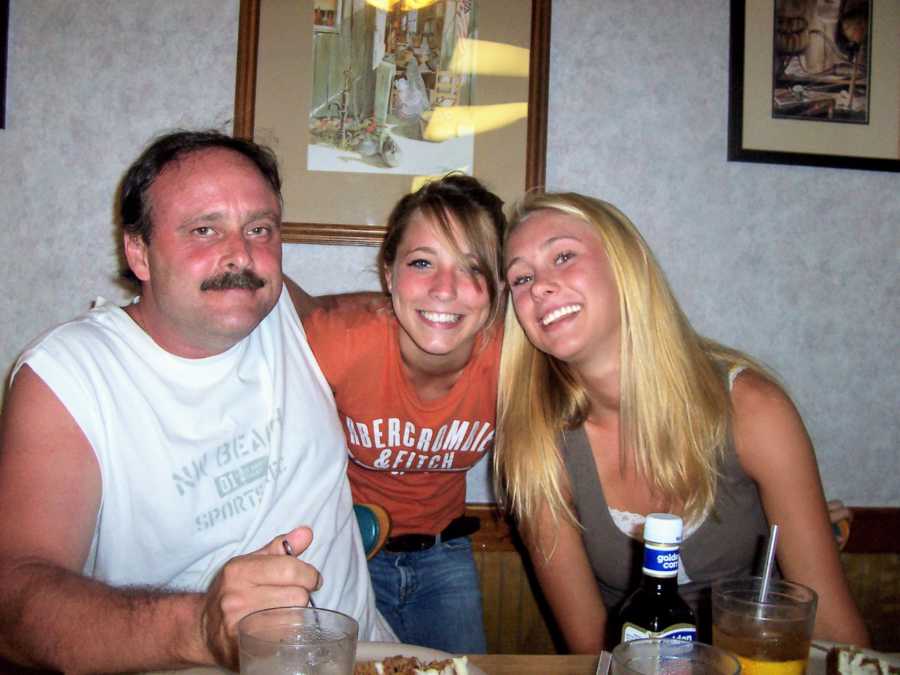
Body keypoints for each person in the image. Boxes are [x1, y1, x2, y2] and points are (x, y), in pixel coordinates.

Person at [0, 130, 393, 674]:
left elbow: (394, 321)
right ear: (139, 251)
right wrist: (201, 626)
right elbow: (14, 598)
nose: (240, 253)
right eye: (204, 229)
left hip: (362, 660)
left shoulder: (282, 313)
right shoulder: (69, 375)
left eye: (260, 229)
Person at [494, 191, 870, 651]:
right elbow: (593, 650)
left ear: (627, 266)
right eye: (521, 278)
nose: (539, 287)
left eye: (564, 256)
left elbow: (837, 635)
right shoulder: (535, 449)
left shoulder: (752, 408)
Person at [301, 174, 506, 653]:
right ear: (389, 274)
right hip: (345, 550)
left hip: (445, 555)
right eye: (422, 262)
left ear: (497, 289)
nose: (444, 288)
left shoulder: (512, 364)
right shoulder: (341, 341)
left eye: (471, 268)